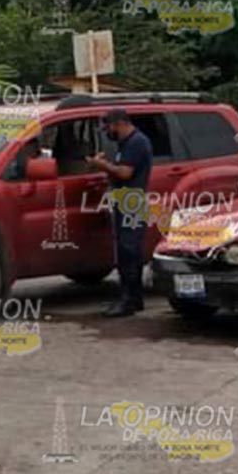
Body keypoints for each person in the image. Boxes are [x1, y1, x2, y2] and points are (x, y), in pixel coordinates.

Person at [86, 108, 152, 317]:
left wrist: (102, 165)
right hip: (124, 199)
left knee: (129, 251)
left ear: (120, 123)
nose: (108, 131)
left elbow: (125, 172)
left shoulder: (136, 142)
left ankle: (129, 300)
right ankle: (134, 297)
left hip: (132, 200)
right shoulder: (125, 144)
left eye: (109, 127)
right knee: (126, 250)